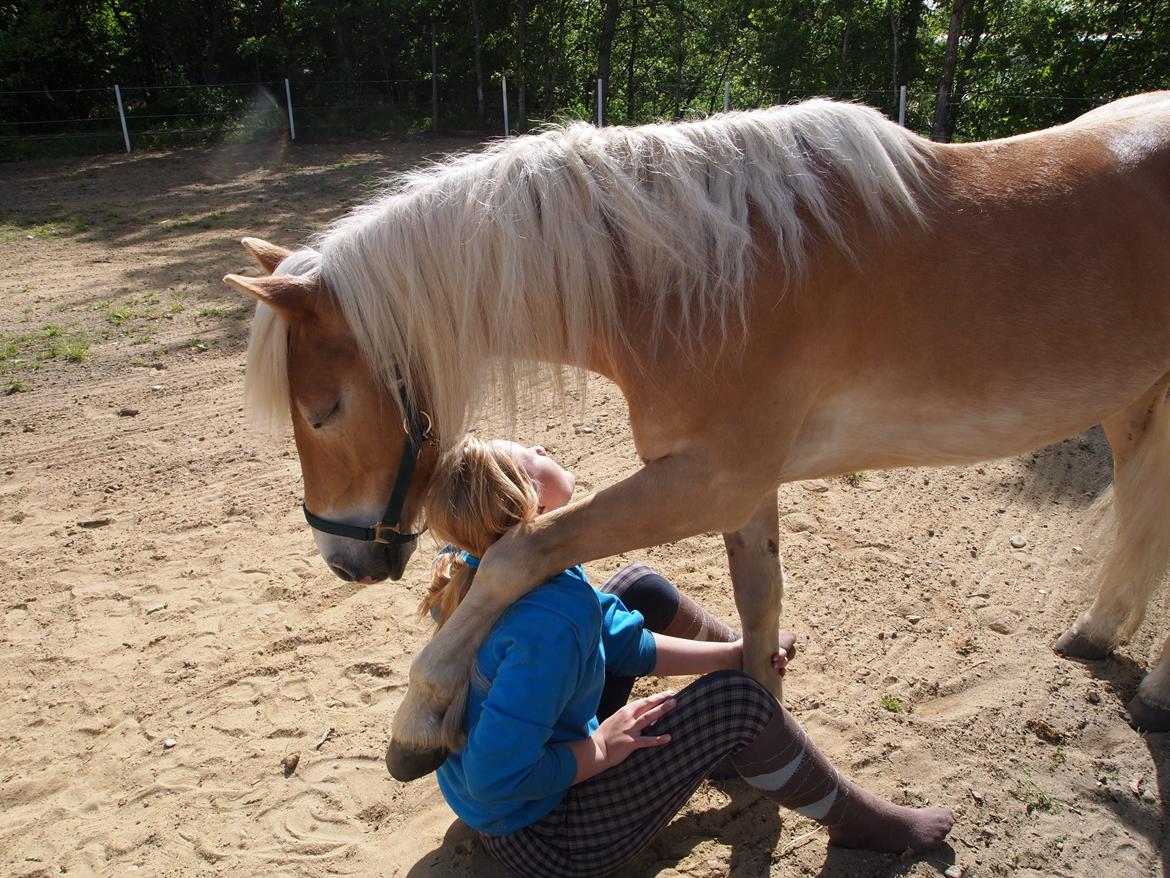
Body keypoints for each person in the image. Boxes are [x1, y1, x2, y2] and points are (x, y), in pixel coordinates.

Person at [417, 437, 954, 878]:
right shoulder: (548, 627)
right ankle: (852, 819)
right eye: (529, 452)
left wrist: (734, 653)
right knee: (735, 703)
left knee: (637, 588)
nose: (541, 444)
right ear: (534, 498)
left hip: (525, 785)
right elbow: (494, 777)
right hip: (545, 836)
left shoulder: (501, 566)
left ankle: (746, 727)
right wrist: (598, 750)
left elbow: (623, 640)